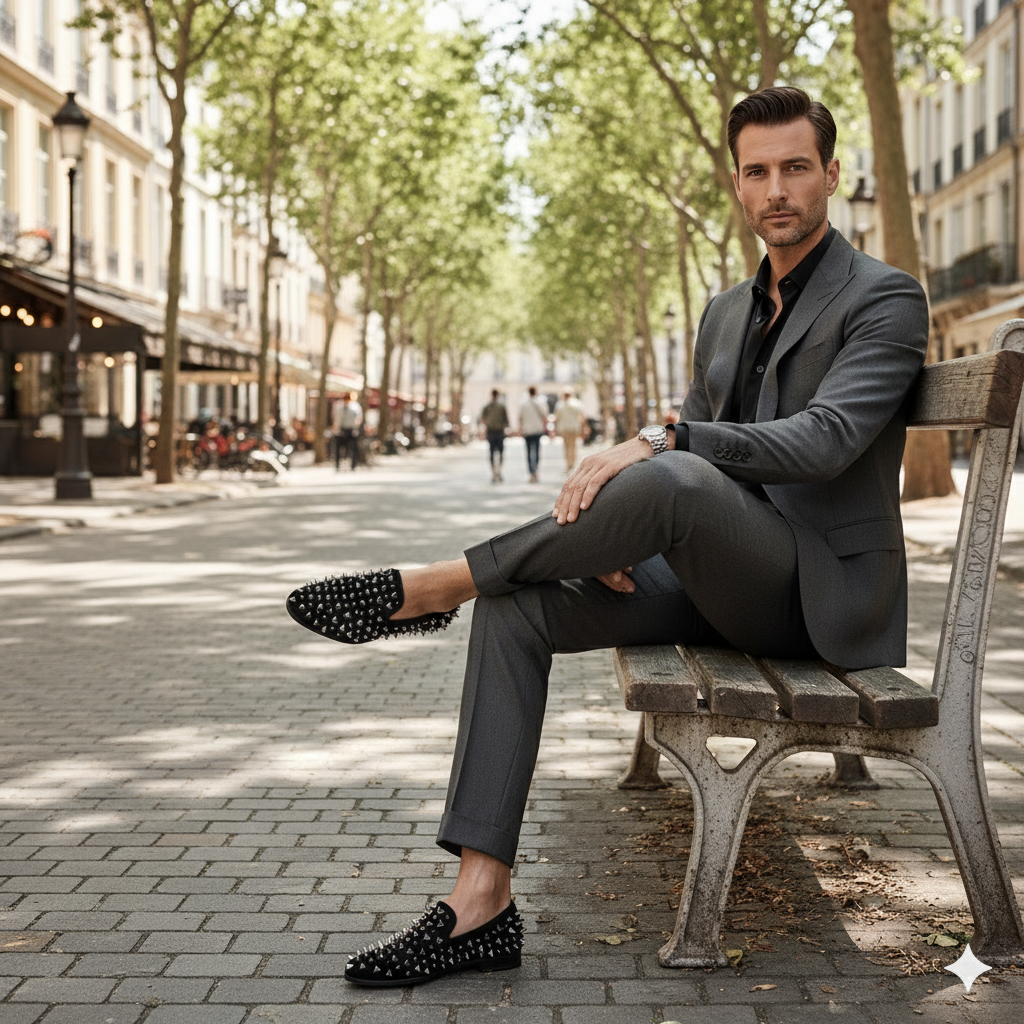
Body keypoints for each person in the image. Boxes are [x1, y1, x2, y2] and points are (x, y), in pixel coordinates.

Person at [286, 86, 928, 987]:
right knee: (520, 608)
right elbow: (701, 479)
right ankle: (481, 901)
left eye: (795, 167)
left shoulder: (886, 297)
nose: (776, 188)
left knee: (665, 467)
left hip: (818, 604)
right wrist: (627, 532)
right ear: (736, 186)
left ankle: (432, 586)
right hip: (717, 580)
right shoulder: (722, 312)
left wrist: (664, 448)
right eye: (756, 172)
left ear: (832, 173)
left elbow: (821, 445)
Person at [518, 386, 548, 482]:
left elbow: (520, 418)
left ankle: (531, 472)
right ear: (535, 392)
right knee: (537, 451)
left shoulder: (523, 403)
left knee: (528, 451)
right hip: (537, 429)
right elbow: (544, 416)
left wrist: (520, 429)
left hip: (527, 430)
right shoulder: (540, 403)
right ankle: (536, 471)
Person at [553, 389, 587, 471]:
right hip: (574, 427)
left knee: (566, 446)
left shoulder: (560, 405)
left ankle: (568, 463)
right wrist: (584, 426)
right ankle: (572, 462)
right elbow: (581, 416)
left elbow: (557, 417)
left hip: (564, 428)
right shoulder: (577, 404)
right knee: (574, 445)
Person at [480, 389, 509, 482]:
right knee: (499, 452)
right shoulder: (501, 406)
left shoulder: (488, 406)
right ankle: (497, 472)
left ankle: (495, 472)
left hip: (492, 431)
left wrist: (484, 430)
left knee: (492, 452)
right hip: (498, 431)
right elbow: (506, 421)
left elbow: (483, 419)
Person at [334, 392, 362, 471]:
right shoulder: (340, 407)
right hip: (342, 429)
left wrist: (356, 427)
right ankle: (337, 465)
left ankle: (353, 465)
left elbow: (358, 418)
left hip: (351, 429)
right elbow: (337, 419)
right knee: (339, 448)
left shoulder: (355, 406)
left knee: (353, 448)